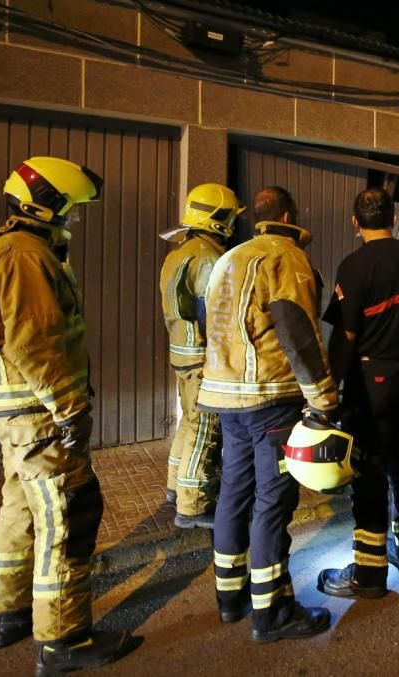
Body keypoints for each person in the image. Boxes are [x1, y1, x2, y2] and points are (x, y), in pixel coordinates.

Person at [0, 157, 140, 674]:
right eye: (69, 208)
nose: (71, 219)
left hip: (18, 414)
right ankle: (65, 639)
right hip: (39, 414)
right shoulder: (23, 257)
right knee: (68, 513)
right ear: (45, 202)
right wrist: (68, 408)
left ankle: (9, 613)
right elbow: (35, 342)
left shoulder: (12, 251)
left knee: (21, 510)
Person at [197, 186, 338, 642]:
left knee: (233, 493)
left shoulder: (229, 258)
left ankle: (229, 599)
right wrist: (323, 400)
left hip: (225, 398)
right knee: (272, 503)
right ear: (290, 215)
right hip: (270, 399)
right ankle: (272, 613)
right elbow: (297, 330)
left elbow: (207, 318)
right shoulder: (286, 256)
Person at [317, 187, 399, 599]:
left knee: (368, 472)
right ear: (393, 219)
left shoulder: (353, 267)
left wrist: (329, 386)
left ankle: (368, 575)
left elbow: (345, 336)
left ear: (355, 222)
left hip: (371, 380)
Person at [159, 183, 244, 529]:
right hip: (201, 357)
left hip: (182, 353)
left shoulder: (180, 251)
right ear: (218, 218)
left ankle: (174, 486)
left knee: (188, 423)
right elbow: (214, 312)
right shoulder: (208, 257)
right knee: (205, 429)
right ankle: (192, 506)